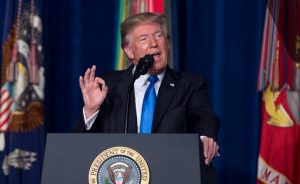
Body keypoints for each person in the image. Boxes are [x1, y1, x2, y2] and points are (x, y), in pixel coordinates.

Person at [74, 12, 220, 183]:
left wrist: (205, 137)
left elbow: (203, 114)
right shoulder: (109, 85)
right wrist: (91, 111)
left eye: (159, 35)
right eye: (143, 39)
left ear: (167, 42)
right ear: (129, 51)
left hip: (173, 174)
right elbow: (80, 147)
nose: (153, 43)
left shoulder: (189, 83)